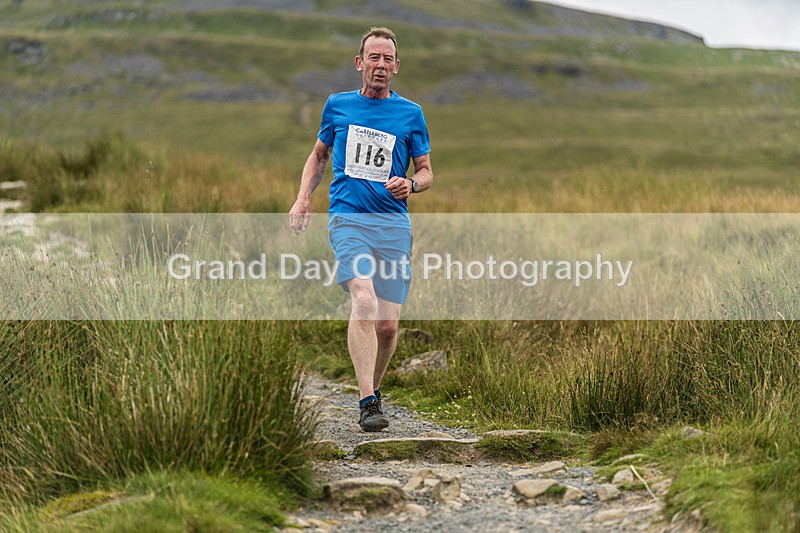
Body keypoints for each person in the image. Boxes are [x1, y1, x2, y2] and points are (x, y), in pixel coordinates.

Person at [289, 27, 433, 432]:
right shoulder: (337, 107)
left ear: (397, 67)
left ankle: (375, 389)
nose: (380, 66)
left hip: (392, 224)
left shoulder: (411, 114)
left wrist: (413, 184)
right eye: (374, 57)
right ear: (360, 63)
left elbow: (425, 171)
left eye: (388, 59)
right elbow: (318, 157)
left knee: (388, 326)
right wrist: (303, 198)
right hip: (348, 218)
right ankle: (367, 400)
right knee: (364, 301)